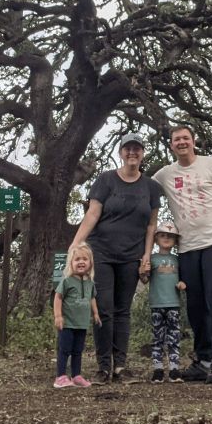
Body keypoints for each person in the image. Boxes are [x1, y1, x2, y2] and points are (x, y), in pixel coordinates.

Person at [70, 133, 160, 383]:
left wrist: (146, 256)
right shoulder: (106, 180)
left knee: (123, 311)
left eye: (137, 149)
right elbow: (92, 214)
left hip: (132, 256)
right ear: (121, 153)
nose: (132, 153)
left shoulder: (151, 187)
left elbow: (151, 225)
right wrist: (76, 244)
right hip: (102, 253)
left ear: (143, 154)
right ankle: (103, 367)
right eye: (128, 149)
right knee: (104, 310)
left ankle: (120, 368)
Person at [153, 125, 212, 384]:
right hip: (187, 247)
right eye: (176, 139)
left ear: (193, 141)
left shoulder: (211, 164)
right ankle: (202, 360)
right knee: (196, 305)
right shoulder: (165, 174)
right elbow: (141, 189)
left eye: (185, 138)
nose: (181, 142)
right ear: (171, 145)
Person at [142, 221, 187, 383]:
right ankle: (158, 369)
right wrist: (142, 272)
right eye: (162, 235)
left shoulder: (178, 260)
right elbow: (145, 279)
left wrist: (183, 284)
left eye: (170, 236)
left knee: (174, 337)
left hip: (173, 304)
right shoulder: (151, 259)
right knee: (158, 338)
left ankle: (174, 369)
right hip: (157, 304)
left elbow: (183, 279)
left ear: (176, 240)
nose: (166, 238)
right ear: (155, 239)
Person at [52, 242, 101, 389]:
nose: (81, 262)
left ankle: (76, 376)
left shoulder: (90, 283)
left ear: (90, 263)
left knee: (78, 351)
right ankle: (60, 377)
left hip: (82, 323)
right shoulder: (67, 281)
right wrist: (58, 316)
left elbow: (92, 298)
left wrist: (96, 313)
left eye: (84, 259)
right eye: (77, 259)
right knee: (64, 349)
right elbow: (58, 297)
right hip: (67, 323)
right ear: (71, 263)